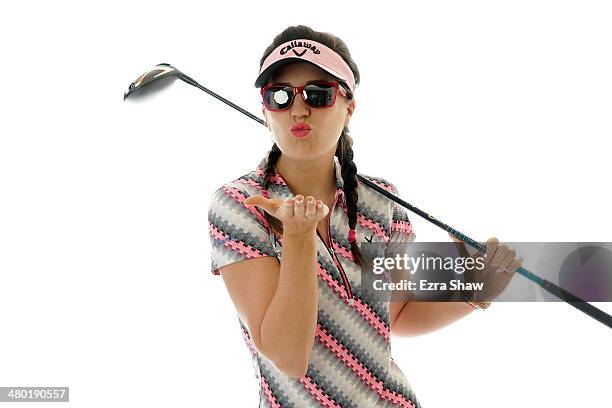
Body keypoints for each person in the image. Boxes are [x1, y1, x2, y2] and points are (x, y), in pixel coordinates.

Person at [207, 25, 522, 408]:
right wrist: (300, 238)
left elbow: (398, 315)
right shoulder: (240, 204)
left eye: (319, 94)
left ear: (349, 107)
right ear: (265, 110)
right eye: (281, 96)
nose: (299, 109)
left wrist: (472, 294)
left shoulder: (381, 201)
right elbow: (288, 356)